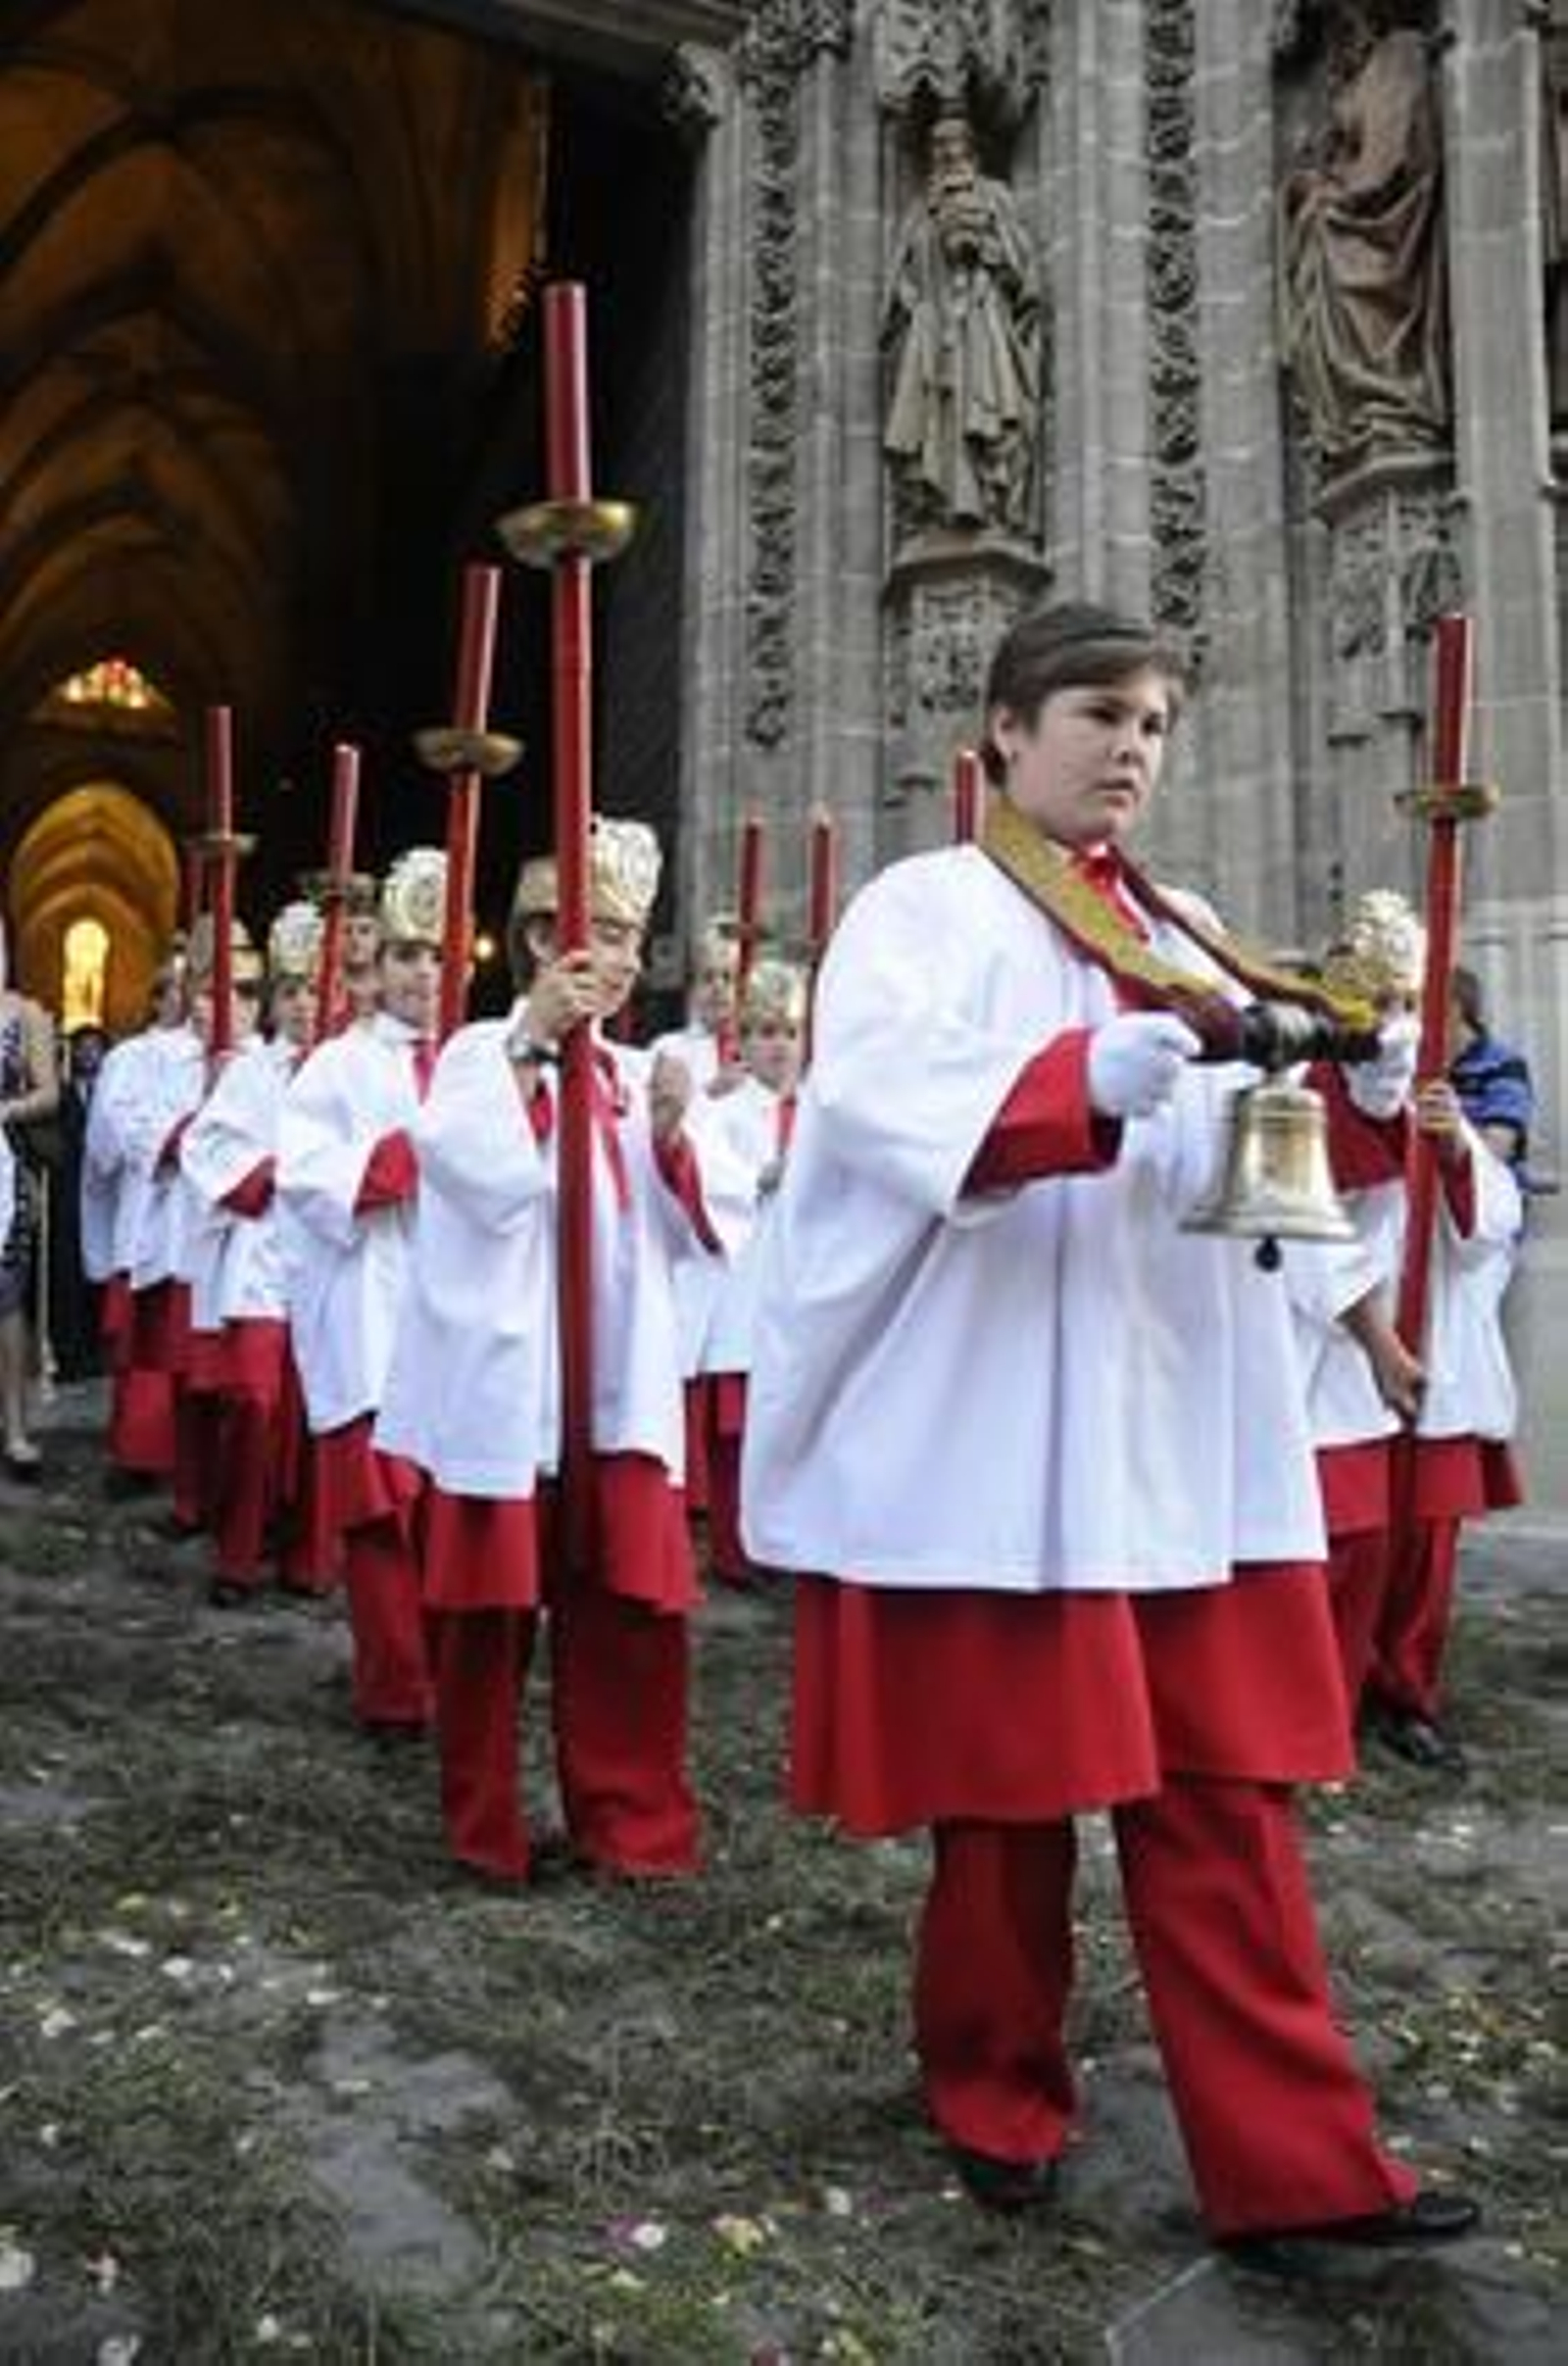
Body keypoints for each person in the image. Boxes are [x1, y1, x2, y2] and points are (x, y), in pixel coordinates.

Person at [742, 600, 1478, 2249]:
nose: (1131, 746)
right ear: (1002, 730)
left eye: (1152, 720)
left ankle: (1304, 2165)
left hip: (1183, 1440)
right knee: (1006, 1816)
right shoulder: (920, 910)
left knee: (1228, 1801)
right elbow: (868, 1106)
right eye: (1096, 713)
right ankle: (992, 2086)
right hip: (1011, 1444)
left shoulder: (1195, 928)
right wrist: (1073, 1083)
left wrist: (1347, 1129)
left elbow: (1254, 1178)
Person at [376, 820, 749, 1885]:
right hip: (509, 1389)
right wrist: (533, 1045)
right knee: (485, 1628)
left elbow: (702, 1225)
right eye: (603, 933)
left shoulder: (644, 1069)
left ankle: (631, 1826)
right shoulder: (471, 1054)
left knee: (631, 1617)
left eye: (635, 937)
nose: (625, 959)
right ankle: (485, 1829)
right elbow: (476, 1171)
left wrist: (678, 1140)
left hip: (617, 1384)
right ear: (541, 937)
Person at [1289, 896, 1521, 1743]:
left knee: (1425, 1545)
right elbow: (1295, 1220)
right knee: (1344, 1541)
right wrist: (1375, 1334)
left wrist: (1455, 1150)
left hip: (1433, 1352)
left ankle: (1406, 1696)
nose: (1389, 1028)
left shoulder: (1438, 1098)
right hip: (1336, 1354)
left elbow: (1490, 1225)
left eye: (1404, 1006)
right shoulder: (1298, 1095)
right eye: (1373, 1005)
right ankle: (1324, 1705)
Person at [277, 852, 445, 1734]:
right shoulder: (338, 1067)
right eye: (409, 955)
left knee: (451, 1512)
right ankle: (394, 1688)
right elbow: (303, 1177)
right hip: (370, 1312)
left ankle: (451, 1673)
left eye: (440, 956)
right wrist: (405, 1157)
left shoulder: (477, 1058)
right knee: (382, 1517)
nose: (425, 974)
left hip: (452, 1318)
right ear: (376, 969)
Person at [1279, 16, 1449, 469]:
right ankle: (1359, 412)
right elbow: (1344, 158)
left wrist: (1336, 192)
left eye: (1348, 27)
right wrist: (1316, 180)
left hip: (1389, 216)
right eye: (1337, 32)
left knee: (1325, 227)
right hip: (1358, 207)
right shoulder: (1350, 79)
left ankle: (1393, 400)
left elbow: (1390, 158)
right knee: (1316, 227)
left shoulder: (1400, 52)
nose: (1341, 41)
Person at [883, 107, 1042, 537]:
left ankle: (993, 501)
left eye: (954, 142)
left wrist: (984, 248)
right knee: (936, 419)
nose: (946, 152)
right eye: (937, 145)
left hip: (982, 321)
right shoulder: (919, 211)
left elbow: (1024, 276)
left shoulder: (995, 197)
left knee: (989, 413)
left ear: (972, 149)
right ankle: (939, 507)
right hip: (933, 331)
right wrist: (915, 299)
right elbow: (900, 280)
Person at [699, 956, 806, 1588]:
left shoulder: (822, 1105)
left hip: (801, 1283)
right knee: (741, 1426)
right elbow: (710, 1175)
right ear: (743, 1039)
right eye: (765, 1033)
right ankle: (738, 1548)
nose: (778, 1048)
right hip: (745, 1281)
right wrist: (762, 1177)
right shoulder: (726, 1109)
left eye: (789, 1033)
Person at [0, 919, 62, 1476]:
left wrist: (3, 1110)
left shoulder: (27, 1014)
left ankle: (15, 1428)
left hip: (3, 1163)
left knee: (7, 1298)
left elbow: (48, 1092)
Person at [50, 1024, 110, 1383]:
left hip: (103, 1198)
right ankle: (68, 1356)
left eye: (94, 1048)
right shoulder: (60, 1094)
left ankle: (97, 1352)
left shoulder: (113, 1093)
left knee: (99, 1276)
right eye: (81, 1048)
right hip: (69, 1196)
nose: (88, 1054)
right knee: (68, 1275)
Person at [1446, 965, 1536, 1182]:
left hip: (1490, 1200)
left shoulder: (1504, 1065)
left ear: (1453, 1008)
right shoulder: (1409, 1062)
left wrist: (1448, 1125)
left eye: (1414, 1005)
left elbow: (1494, 1152)